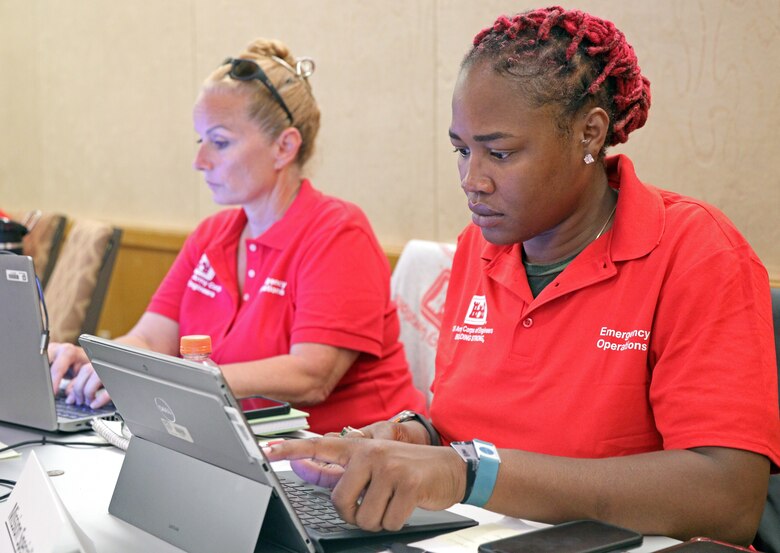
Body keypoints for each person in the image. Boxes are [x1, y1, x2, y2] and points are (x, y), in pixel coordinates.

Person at [266, 6, 780, 545]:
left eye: (500, 153)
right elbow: (471, 426)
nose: (472, 180)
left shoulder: (696, 252)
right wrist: (409, 438)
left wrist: (466, 472)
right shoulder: (480, 248)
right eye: (462, 151)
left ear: (589, 133)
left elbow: (728, 497)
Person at [48, 38, 426, 434]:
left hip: (357, 462)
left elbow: (311, 376)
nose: (200, 161)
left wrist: (181, 382)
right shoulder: (212, 235)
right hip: (247, 448)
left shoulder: (338, 233)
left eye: (220, 142)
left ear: (284, 147)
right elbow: (148, 338)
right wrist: (101, 364)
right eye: (200, 141)